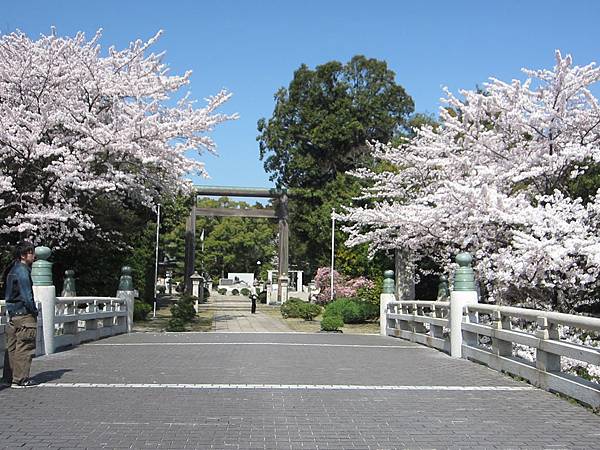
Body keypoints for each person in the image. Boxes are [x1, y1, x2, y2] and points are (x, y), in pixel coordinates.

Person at [1, 241, 38, 388]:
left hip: (12, 314)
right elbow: (26, 296)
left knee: (12, 347)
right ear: (23, 255)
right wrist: (34, 311)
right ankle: (21, 379)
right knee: (24, 347)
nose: (33, 256)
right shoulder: (23, 271)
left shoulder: (11, 269)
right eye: (31, 253)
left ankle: (9, 377)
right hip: (24, 314)